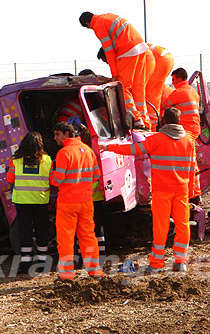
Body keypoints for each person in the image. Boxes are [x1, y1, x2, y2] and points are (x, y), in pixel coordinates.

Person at [100, 107, 196, 273]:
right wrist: (191, 191)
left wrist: (109, 148)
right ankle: (181, 261)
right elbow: (192, 168)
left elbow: (133, 150)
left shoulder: (157, 139)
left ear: (164, 121)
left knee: (160, 226)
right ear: (179, 121)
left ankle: (157, 263)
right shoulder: (188, 141)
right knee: (182, 225)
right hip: (181, 190)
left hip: (161, 190)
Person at [49, 121, 103, 282]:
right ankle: (95, 271)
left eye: (57, 134)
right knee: (88, 236)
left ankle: (66, 274)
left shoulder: (64, 153)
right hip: (86, 201)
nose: (55, 138)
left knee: (66, 238)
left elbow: (58, 180)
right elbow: (96, 176)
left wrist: (50, 174)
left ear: (67, 134)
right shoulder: (88, 150)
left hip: (68, 202)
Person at [80, 12, 149, 128]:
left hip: (126, 50)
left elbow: (108, 51)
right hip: (140, 47)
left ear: (88, 24)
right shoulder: (108, 16)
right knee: (137, 89)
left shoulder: (98, 25)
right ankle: (145, 122)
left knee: (121, 86)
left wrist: (114, 74)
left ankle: (136, 119)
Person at [6, 131, 53, 274]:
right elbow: (52, 180)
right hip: (40, 200)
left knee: (25, 232)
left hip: (22, 201)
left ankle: (25, 264)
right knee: (42, 231)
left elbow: (10, 179)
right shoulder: (47, 160)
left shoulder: (15, 160)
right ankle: (42, 262)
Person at [161, 68, 201, 202]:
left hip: (186, 128)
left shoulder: (179, 92)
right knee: (191, 159)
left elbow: (164, 105)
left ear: (178, 78)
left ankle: (192, 193)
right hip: (194, 128)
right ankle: (195, 192)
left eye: (173, 80)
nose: (172, 83)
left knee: (187, 161)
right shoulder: (192, 91)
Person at [145, 44, 174, 131]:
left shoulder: (122, 56)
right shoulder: (171, 91)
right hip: (165, 57)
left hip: (160, 59)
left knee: (149, 94)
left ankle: (152, 129)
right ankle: (153, 127)